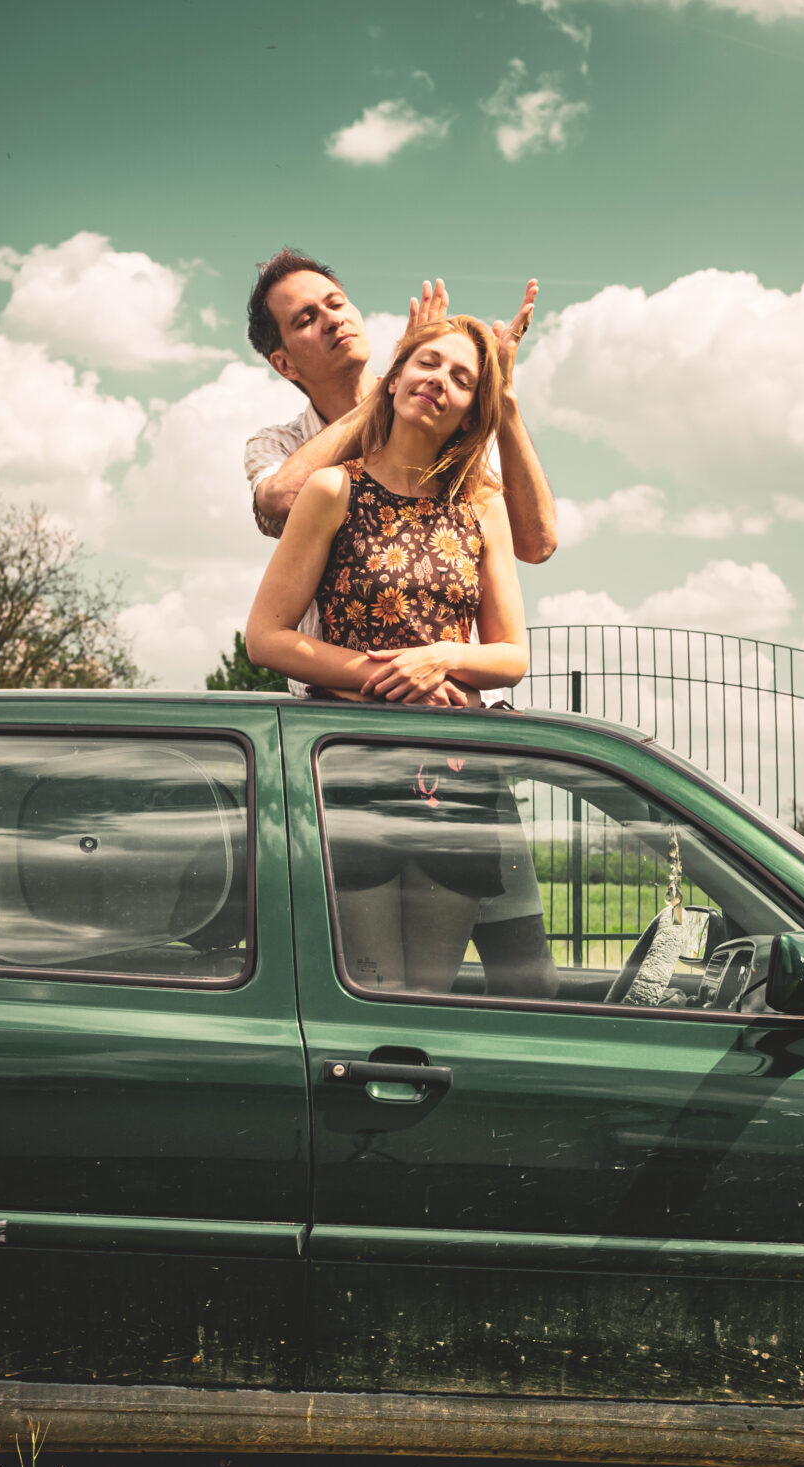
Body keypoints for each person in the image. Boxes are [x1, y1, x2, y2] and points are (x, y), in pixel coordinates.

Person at [244, 314, 548, 994]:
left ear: (474, 411)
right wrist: (388, 676)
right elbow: (265, 636)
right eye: (429, 363)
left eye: (463, 378)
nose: (440, 382)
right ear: (397, 375)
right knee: (371, 993)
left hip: (454, 773)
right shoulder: (332, 489)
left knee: (427, 997)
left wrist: (440, 657)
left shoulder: (483, 507)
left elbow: (509, 656)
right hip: (348, 765)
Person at [242, 249, 557, 566]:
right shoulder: (276, 444)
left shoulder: (442, 416)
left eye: (336, 303)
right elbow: (282, 498)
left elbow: (536, 545)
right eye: (307, 319)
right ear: (284, 364)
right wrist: (393, 385)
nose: (333, 319)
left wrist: (501, 394)